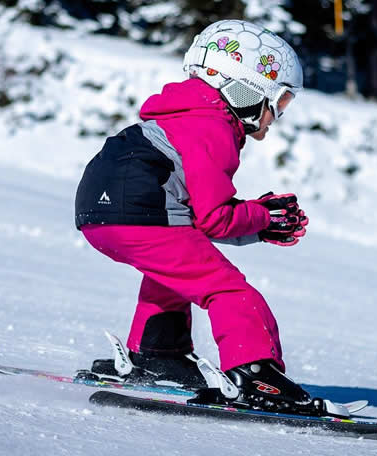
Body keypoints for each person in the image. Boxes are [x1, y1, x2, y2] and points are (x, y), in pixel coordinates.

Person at [74, 20, 311, 411]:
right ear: (247, 88)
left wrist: (255, 219)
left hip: (99, 214)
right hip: (138, 212)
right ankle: (255, 376)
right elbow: (215, 218)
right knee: (229, 290)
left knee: (174, 269)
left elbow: (197, 220)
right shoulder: (212, 126)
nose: (276, 117)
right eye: (280, 102)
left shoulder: (181, 116)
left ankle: (159, 353)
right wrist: (264, 219)